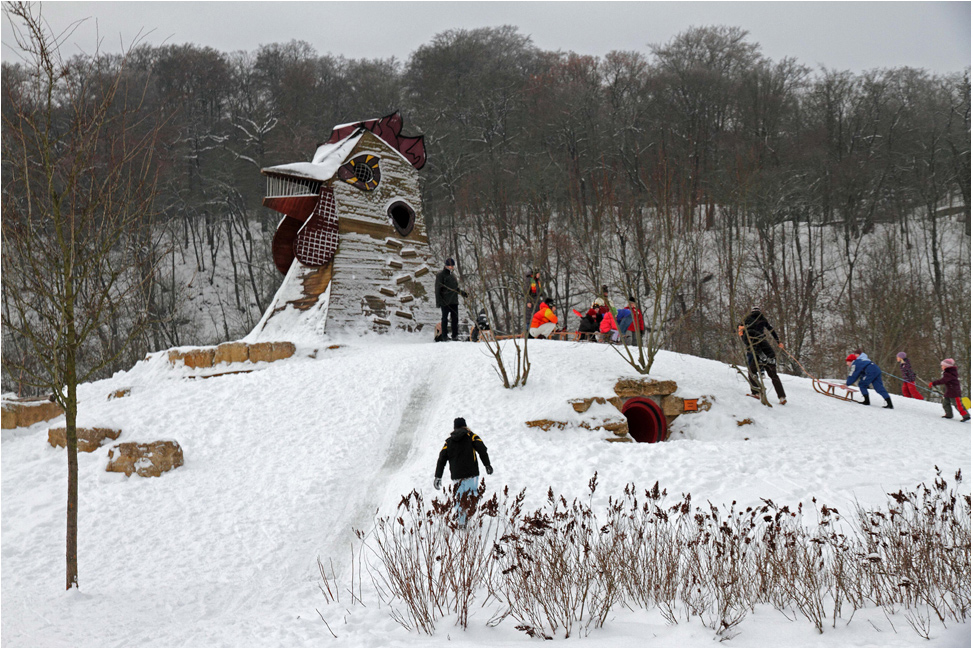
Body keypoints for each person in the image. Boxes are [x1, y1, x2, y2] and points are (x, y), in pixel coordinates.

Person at [434, 417, 493, 526]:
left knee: (459, 498)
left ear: (454, 428)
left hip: (457, 476)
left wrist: (438, 476)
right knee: (472, 495)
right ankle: (469, 517)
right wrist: (487, 464)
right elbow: (482, 449)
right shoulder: (472, 436)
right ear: (465, 426)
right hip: (472, 473)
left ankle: (461, 522)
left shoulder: (449, 442)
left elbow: (441, 459)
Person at [738, 306, 787, 404]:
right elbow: (771, 330)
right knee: (774, 376)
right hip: (770, 353)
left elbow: (755, 348)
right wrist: (778, 342)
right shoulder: (762, 321)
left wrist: (763, 358)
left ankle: (756, 393)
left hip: (760, 354)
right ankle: (782, 397)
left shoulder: (747, 333)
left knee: (751, 371)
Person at [434, 258, 466, 341]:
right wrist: (439, 301)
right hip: (445, 301)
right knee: (445, 319)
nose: (451, 267)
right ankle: (444, 336)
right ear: (445, 265)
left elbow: (455, 288)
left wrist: (462, 293)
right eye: (449, 265)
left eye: (452, 266)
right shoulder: (440, 275)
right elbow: (437, 289)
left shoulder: (453, 275)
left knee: (455, 319)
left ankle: (455, 335)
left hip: (454, 300)